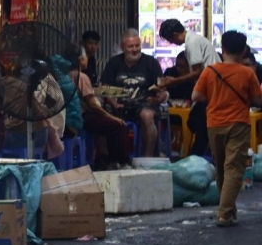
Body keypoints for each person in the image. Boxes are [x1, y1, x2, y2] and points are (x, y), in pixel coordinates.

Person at [192, 30, 262, 227]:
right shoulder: (247, 73)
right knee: (234, 168)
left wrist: (215, 97)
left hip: (214, 123)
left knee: (221, 167)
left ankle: (229, 211)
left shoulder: (210, 71)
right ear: (242, 52)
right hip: (238, 123)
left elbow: (196, 96)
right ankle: (224, 213)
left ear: (222, 49)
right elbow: (257, 99)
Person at [101, 29, 169, 157]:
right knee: (102, 117)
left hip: (144, 103)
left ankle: (148, 156)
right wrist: (113, 103)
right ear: (123, 47)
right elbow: (106, 88)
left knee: (147, 115)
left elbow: (162, 88)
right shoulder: (114, 63)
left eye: (137, 45)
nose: (135, 49)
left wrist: (160, 96)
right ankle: (111, 158)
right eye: (130, 46)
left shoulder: (151, 63)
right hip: (120, 105)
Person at [77, 50, 133, 169]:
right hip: (82, 116)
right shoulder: (81, 77)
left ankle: (108, 159)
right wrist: (111, 117)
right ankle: (121, 162)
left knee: (110, 123)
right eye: (85, 56)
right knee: (118, 125)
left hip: (74, 116)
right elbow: (92, 104)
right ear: (80, 59)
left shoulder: (66, 74)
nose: (87, 58)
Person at [157, 19, 218, 95]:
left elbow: (198, 71)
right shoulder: (193, 39)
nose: (171, 43)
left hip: (213, 84)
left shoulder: (192, 43)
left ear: (175, 35)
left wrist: (174, 80)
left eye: (170, 40)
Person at [165, 51, 207, 157]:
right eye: (177, 65)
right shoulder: (171, 73)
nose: (178, 69)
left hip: (191, 113)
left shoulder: (196, 79)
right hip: (171, 111)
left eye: (182, 66)